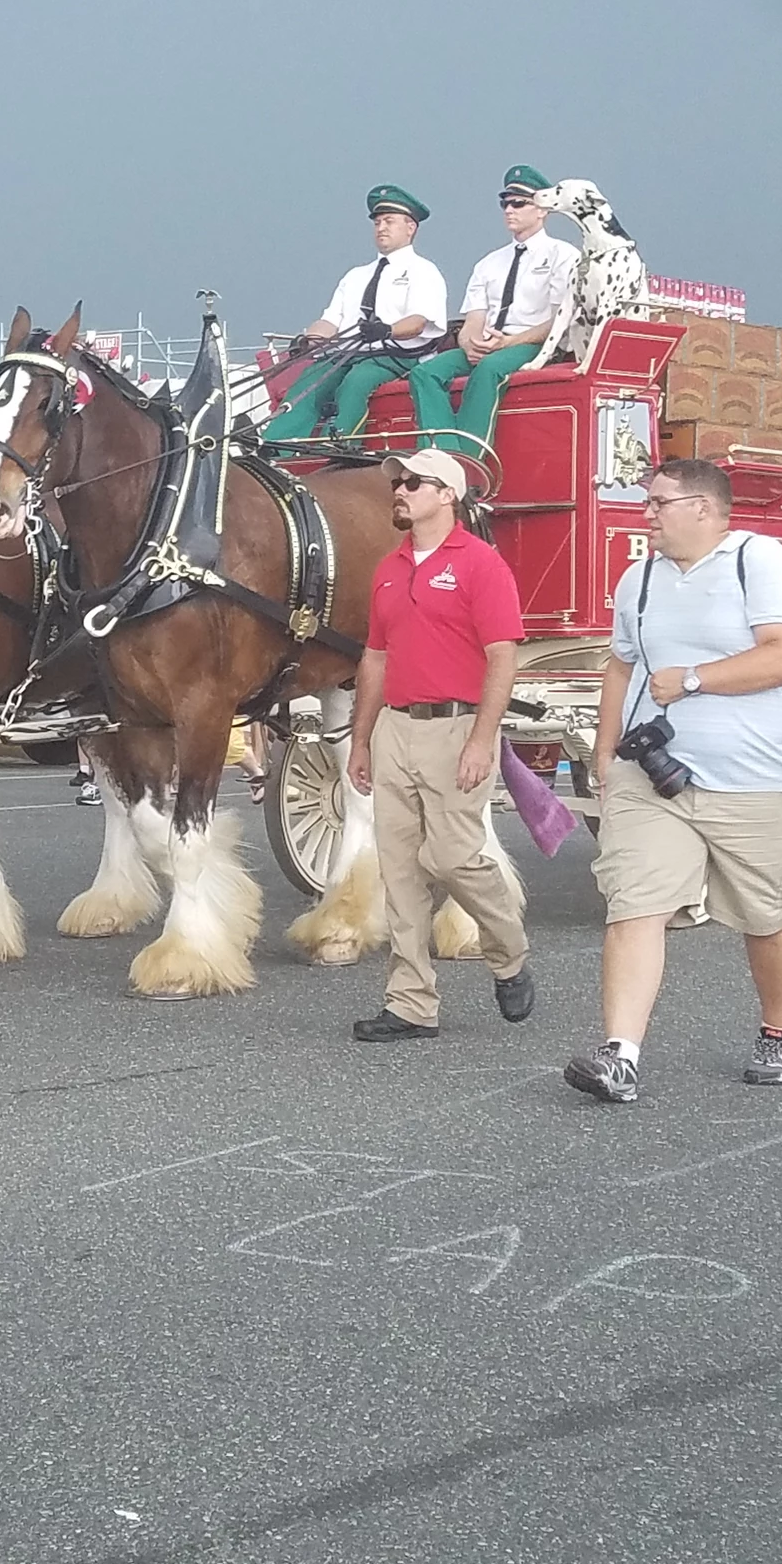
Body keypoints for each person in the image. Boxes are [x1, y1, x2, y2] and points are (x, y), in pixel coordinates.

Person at [566, 457, 782, 1103]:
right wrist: (604, 752)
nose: (645, 513)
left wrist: (694, 679)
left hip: (757, 781)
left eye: (659, 502)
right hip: (654, 779)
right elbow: (621, 667)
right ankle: (620, 1053)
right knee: (633, 905)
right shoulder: (638, 579)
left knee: (770, 917)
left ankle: (781, 1032)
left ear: (703, 508)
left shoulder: (758, 562)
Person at [345, 449, 533, 1041]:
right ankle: (410, 1003)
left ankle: (510, 952)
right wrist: (361, 739)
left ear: (447, 495)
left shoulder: (481, 565)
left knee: (455, 858)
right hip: (395, 727)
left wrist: (482, 738)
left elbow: (504, 656)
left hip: (455, 726)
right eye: (397, 482)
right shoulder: (388, 567)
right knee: (399, 870)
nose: (399, 490)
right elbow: (375, 657)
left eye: (413, 483)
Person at [409, 166, 583, 452]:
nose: (509, 210)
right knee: (425, 373)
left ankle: (469, 457)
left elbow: (558, 321)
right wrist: (470, 344)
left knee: (488, 370)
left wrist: (509, 342)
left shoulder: (562, 255)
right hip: (490, 344)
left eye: (519, 203)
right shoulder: (489, 263)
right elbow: (473, 319)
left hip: (534, 346)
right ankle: (440, 452)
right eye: (505, 203)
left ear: (541, 210)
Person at [262, 186, 448, 442]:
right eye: (377, 222)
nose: (381, 227)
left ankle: (341, 444)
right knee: (311, 380)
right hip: (349, 353)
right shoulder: (355, 276)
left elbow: (418, 322)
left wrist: (386, 330)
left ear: (410, 227)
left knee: (357, 382)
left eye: (389, 221)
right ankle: (273, 445)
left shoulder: (424, 272)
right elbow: (331, 320)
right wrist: (310, 339)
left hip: (396, 356)